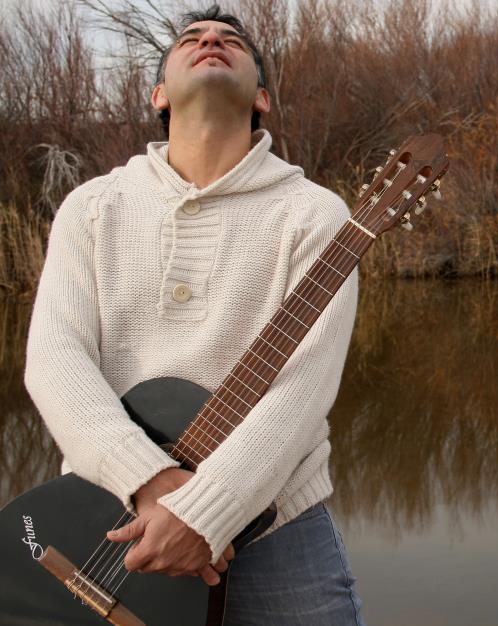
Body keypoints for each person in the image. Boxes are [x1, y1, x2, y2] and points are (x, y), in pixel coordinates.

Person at [23, 5, 365, 624]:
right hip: (105, 522)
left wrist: (206, 512)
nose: (210, 41)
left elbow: (304, 387)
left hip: (275, 531)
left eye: (230, 40)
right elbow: (54, 359)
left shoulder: (316, 215)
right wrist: (150, 482)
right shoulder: (92, 207)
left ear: (261, 97)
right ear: (159, 92)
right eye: (192, 39)